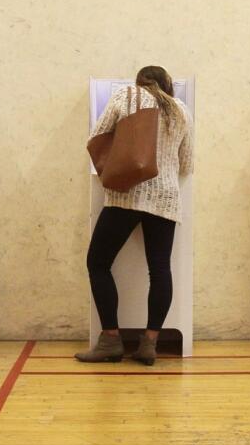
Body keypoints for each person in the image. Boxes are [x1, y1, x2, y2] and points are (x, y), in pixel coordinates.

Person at [75, 65, 194, 366]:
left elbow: (97, 137)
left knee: (98, 262)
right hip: (165, 199)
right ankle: (149, 343)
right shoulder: (181, 110)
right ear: (168, 84)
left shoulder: (125, 96)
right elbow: (186, 163)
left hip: (125, 195)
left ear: (139, 81)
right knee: (160, 269)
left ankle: (111, 340)